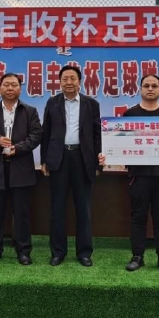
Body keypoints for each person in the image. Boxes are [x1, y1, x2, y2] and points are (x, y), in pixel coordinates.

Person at [0, 73, 42, 265]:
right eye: (6, 84)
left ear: (20, 89)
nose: (10, 88)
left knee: (22, 213)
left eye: (14, 85)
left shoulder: (30, 111)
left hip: (21, 168)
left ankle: (24, 251)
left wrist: (18, 148)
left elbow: (36, 135)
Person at [41, 65, 103, 267]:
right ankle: (58, 252)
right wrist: (44, 160)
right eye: (65, 79)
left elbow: (97, 134)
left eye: (72, 78)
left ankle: (84, 252)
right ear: (59, 82)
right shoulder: (52, 103)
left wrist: (98, 163)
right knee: (57, 208)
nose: (69, 82)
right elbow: (46, 132)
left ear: (80, 81)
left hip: (83, 158)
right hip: (58, 158)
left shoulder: (91, 104)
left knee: (83, 208)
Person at [123, 75, 159, 274]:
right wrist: (108, 154)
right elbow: (119, 142)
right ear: (140, 89)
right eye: (146, 85)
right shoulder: (130, 114)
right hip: (138, 174)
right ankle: (137, 256)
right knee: (138, 216)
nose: (150, 89)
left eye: (154, 86)